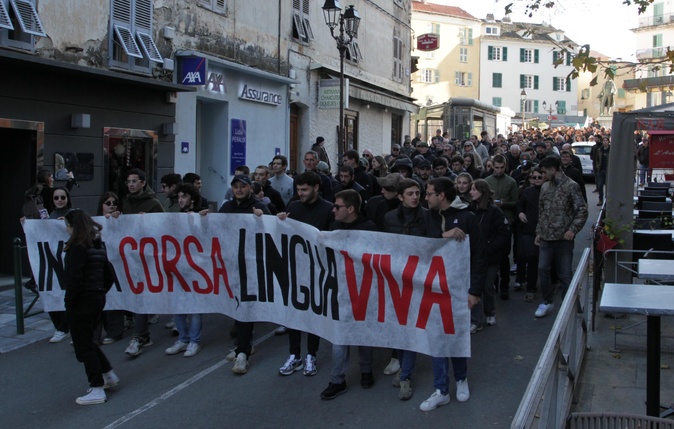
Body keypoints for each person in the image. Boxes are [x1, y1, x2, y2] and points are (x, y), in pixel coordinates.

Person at [421, 177, 488, 411]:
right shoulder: (427, 216)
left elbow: (480, 255)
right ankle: (441, 389)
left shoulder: (468, 217)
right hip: (432, 288)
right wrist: (443, 236)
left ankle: (461, 379)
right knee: (436, 338)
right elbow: (417, 246)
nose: (426, 197)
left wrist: (475, 291)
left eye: (429, 193)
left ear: (441, 195)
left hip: (459, 289)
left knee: (456, 333)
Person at [320, 190, 377, 400]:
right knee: (340, 337)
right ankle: (337, 380)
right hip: (340, 290)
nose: (333, 210)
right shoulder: (334, 227)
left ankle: (366, 371)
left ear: (350, 209)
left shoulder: (369, 229)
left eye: (337, 206)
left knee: (363, 332)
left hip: (364, 290)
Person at [277, 171, 333, 376]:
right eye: (298, 189)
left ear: (316, 188)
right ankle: (294, 355)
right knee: (294, 314)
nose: (300, 193)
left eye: (304, 189)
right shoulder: (293, 207)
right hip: (295, 269)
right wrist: (281, 221)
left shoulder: (328, 209)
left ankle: (311, 354)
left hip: (318, 271)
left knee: (313, 314)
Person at [62, 209, 119, 405]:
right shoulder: (97, 245)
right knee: (89, 342)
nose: (67, 230)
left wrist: (69, 304)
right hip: (96, 298)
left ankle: (96, 388)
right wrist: (99, 292)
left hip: (81, 302)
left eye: (68, 226)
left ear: (73, 226)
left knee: (83, 346)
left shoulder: (76, 248)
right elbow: (109, 276)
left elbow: (73, 280)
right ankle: (108, 375)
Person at [384, 178, 430, 402]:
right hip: (394, 279)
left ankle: (405, 376)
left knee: (410, 328)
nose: (415, 197)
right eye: (410, 193)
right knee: (398, 327)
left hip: (418, 280)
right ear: (400, 196)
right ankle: (403, 366)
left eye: (417, 193)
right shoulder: (389, 218)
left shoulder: (428, 217)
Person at [219, 175, 271, 372]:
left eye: (243, 186)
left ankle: (242, 353)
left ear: (250, 188)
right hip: (231, 263)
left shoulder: (258, 207)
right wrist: (204, 219)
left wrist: (262, 219)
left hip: (251, 264)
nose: (239, 190)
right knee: (236, 305)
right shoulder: (227, 208)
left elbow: (273, 232)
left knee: (246, 305)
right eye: (236, 187)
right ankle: (244, 344)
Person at [534, 156, 588, 318]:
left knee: (565, 273)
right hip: (546, 237)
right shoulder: (545, 187)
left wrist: (573, 229)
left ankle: (567, 304)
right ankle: (547, 301)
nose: (542, 175)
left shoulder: (571, 186)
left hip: (564, 238)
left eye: (544, 172)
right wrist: (539, 231)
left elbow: (582, 210)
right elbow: (542, 211)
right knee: (543, 269)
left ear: (553, 170)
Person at [122, 168, 165, 356]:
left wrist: (149, 222)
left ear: (143, 183)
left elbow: (165, 226)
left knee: (141, 293)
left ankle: (139, 336)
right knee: (137, 293)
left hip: (149, 256)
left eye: (134, 181)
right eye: (128, 181)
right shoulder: (126, 202)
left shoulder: (153, 203)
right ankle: (142, 331)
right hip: (131, 255)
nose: (131, 184)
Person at [165, 183, 209, 358]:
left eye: (184, 197)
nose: (180, 200)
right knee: (178, 304)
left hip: (196, 267)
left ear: (192, 198)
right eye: (179, 197)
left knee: (194, 305)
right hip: (178, 265)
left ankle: (194, 341)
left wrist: (199, 220)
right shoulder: (176, 216)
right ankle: (183, 339)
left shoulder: (202, 214)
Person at [468, 179, 510, 333]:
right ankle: (476, 320)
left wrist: (490, 248)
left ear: (482, 191)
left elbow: (504, 233)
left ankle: (490, 311)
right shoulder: (470, 209)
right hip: (474, 256)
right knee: (475, 286)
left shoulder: (494, 212)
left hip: (490, 257)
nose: (471, 192)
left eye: (474, 189)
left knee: (487, 285)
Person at [484, 155, 519, 300]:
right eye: (496, 167)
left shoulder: (511, 181)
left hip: (505, 221)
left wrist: (504, 204)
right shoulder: (486, 181)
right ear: (492, 166)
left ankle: (504, 286)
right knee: (491, 255)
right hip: (490, 223)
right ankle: (493, 284)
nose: (498, 170)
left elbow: (516, 202)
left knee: (504, 257)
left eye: (501, 167)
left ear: (505, 166)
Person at [93, 192, 124, 345]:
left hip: (117, 265)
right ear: (102, 205)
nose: (112, 205)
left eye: (114, 202)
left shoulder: (122, 219)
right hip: (98, 265)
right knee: (97, 300)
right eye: (108, 203)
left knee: (114, 297)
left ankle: (114, 331)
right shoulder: (93, 222)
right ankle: (94, 335)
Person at [517, 167, 544, 303]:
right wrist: (520, 213)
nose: (537, 179)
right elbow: (520, 206)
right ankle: (531, 288)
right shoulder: (527, 191)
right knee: (532, 258)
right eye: (534, 177)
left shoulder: (549, 191)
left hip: (546, 231)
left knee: (545, 263)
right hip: (529, 230)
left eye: (540, 177)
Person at [595, 137, 610, 206]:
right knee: (600, 185)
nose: (605, 142)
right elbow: (597, 159)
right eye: (603, 140)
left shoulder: (611, 150)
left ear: (608, 142)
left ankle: (607, 200)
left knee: (608, 186)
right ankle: (600, 199)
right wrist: (598, 166)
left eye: (606, 140)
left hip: (608, 170)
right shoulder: (600, 150)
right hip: (601, 170)